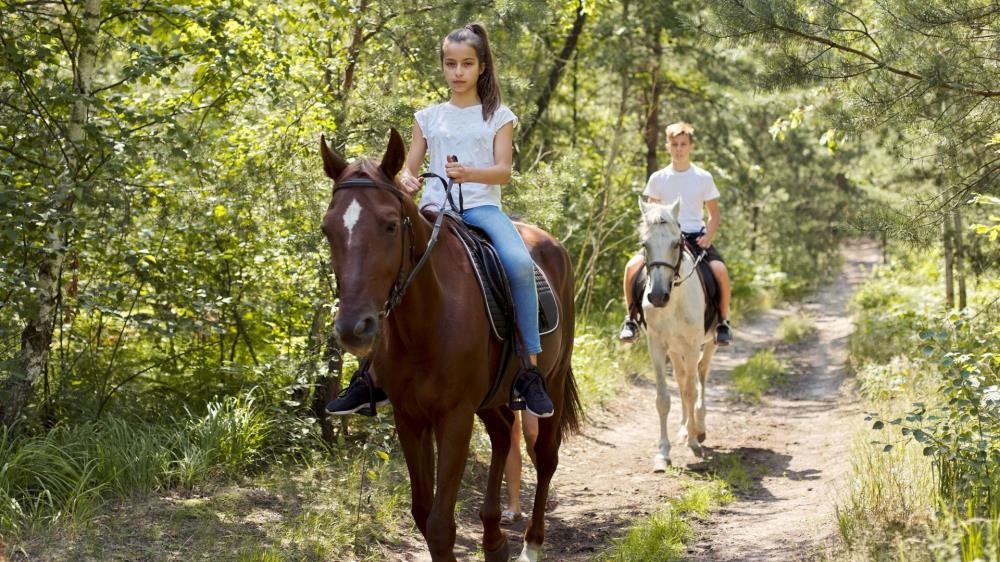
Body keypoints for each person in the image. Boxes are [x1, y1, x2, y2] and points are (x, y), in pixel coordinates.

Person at [327, 23, 554, 418]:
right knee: (387, 268)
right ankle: (370, 375)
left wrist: (469, 173)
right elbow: (409, 172)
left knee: (518, 264)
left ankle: (528, 371)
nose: (458, 72)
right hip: (434, 210)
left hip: (482, 209)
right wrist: (408, 180)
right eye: (451, 64)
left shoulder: (498, 116)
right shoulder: (428, 117)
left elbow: (503, 171)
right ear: (444, 67)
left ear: (482, 67)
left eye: (467, 64)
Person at [619, 122, 732, 345]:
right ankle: (631, 319)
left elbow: (714, 215)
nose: (679, 149)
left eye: (683, 144)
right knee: (631, 267)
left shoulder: (703, 177)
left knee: (719, 270)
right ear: (667, 147)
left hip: (694, 238)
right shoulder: (658, 179)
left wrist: (707, 236)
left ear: (691, 146)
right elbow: (650, 217)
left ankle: (723, 321)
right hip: (663, 241)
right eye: (674, 144)